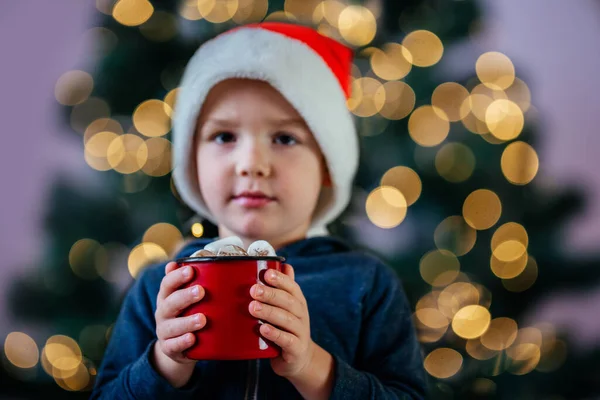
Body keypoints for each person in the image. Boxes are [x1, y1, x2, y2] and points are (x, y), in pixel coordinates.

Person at [90, 21, 428, 399]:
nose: (251, 163)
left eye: (285, 138)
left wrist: (312, 367)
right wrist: (164, 364)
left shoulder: (366, 285)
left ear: (328, 164)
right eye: (224, 136)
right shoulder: (159, 288)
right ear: (191, 160)